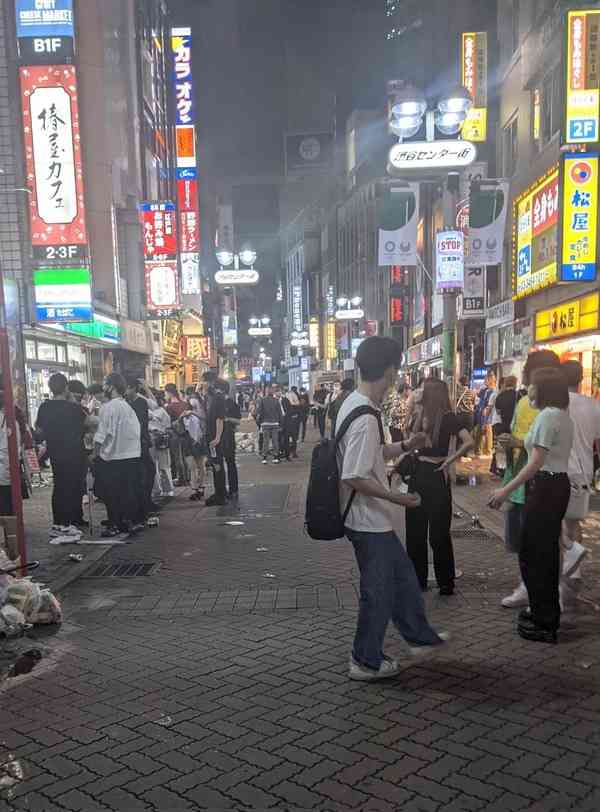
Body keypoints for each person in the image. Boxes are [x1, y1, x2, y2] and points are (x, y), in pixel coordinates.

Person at [337, 336, 447, 682]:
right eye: (395, 373)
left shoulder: (354, 404)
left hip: (370, 518)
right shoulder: (366, 416)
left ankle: (419, 637)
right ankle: (365, 659)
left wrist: (403, 445)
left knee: (401, 579)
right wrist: (398, 498)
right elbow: (354, 474)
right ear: (387, 371)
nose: (395, 381)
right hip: (366, 519)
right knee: (379, 592)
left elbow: (370, 455)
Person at [490, 368, 573, 643]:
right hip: (554, 486)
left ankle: (544, 620)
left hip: (546, 486)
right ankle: (542, 613)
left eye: (532, 385)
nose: (528, 390)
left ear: (544, 389)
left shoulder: (549, 416)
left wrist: (505, 490)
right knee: (542, 553)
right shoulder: (559, 415)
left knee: (535, 554)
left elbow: (536, 462)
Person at [497, 350, 561, 609]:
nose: (526, 382)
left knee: (541, 546)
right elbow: (519, 434)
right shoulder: (525, 404)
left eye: (530, 377)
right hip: (519, 484)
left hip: (539, 485)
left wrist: (517, 443)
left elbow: (542, 453)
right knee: (522, 544)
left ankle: (545, 597)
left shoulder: (554, 412)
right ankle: (530, 589)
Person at [405, 379, 474, 595]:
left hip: (428, 475)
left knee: (426, 533)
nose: (420, 393)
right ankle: (443, 582)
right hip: (429, 477)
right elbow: (469, 441)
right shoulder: (425, 414)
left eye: (424, 390)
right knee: (433, 533)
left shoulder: (445, 416)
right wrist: (450, 459)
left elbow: (468, 441)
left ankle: (423, 580)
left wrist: (449, 459)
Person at [560, 360, 598, 600]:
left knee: (555, 522)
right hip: (584, 472)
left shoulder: (557, 405)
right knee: (573, 522)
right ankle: (575, 571)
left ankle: (570, 556)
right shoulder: (594, 406)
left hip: (559, 470)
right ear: (580, 380)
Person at [35, 373, 88, 534]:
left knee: (60, 486)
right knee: (74, 485)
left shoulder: (44, 407)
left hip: (56, 452)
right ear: (66, 388)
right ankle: (71, 520)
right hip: (75, 452)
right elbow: (90, 423)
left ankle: (60, 521)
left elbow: (39, 431)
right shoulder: (73, 407)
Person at [93, 373, 141, 538]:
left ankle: (114, 524)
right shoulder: (127, 407)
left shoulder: (108, 407)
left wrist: (94, 454)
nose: (103, 387)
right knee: (126, 492)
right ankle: (126, 522)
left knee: (111, 493)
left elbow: (101, 434)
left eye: (105, 384)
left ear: (111, 386)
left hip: (112, 457)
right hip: (130, 455)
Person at [125, 377, 156, 523]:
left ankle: (145, 503)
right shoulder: (124, 402)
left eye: (127, 388)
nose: (125, 391)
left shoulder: (140, 402)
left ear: (132, 388)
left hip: (140, 443)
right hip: (130, 445)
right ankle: (141, 505)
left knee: (148, 472)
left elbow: (141, 423)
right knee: (139, 475)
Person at [201, 371, 227, 506]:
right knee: (215, 464)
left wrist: (217, 437)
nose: (202, 384)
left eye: (204, 381)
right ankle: (219, 492)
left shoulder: (218, 397)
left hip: (215, 438)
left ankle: (221, 495)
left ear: (210, 382)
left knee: (217, 465)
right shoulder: (211, 397)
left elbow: (220, 418)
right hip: (211, 436)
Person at [217, 380, 241, 498]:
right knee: (222, 464)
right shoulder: (217, 402)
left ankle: (233, 489)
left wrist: (227, 419)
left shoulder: (231, 404)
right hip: (221, 436)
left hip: (227, 436)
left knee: (230, 463)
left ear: (220, 390)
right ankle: (223, 490)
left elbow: (238, 421)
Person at [491, 376, 518, 477]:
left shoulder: (500, 396)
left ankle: (503, 470)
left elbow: (498, 411)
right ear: (515, 383)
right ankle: (513, 470)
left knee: (502, 449)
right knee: (514, 449)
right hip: (514, 426)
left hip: (503, 425)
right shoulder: (518, 395)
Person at [149, 395, 174, 498]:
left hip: (159, 438)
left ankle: (166, 488)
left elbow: (168, 427)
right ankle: (159, 489)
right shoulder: (147, 410)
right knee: (156, 466)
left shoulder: (161, 412)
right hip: (152, 438)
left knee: (163, 466)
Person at [0, 390, 20, 516]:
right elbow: (15, 446)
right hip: (7, 467)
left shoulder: (8, 421)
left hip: (5, 466)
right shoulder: (12, 422)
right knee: (7, 504)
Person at [165, 384, 188, 486]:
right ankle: (187, 477)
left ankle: (181, 478)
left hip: (174, 433)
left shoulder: (169, 407)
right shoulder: (184, 404)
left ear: (169, 393)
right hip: (184, 432)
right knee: (184, 456)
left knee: (177, 457)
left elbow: (167, 422)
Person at [257, 385, 282, 464]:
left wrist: (259, 422)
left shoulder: (262, 400)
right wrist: (280, 423)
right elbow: (280, 413)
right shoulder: (276, 400)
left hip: (265, 423)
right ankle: (275, 457)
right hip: (275, 423)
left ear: (267, 392)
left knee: (265, 441)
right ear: (273, 392)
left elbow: (259, 412)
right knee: (275, 441)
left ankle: (264, 458)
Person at [474, 371, 496, 456]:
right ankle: (479, 451)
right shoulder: (485, 390)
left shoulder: (493, 391)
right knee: (479, 433)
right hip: (481, 414)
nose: (484, 381)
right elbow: (478, 394)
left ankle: (487, 452)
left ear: (490, 380)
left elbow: (489, 405)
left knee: (487, 434)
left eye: (486, 379)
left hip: (488, 416)